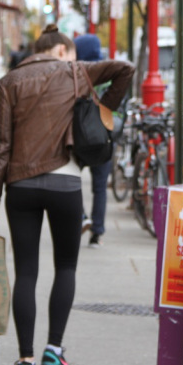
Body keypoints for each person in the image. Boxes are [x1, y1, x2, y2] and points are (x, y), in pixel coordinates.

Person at [0, 24, 134, 365]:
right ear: (63, 51)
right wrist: (99, 110)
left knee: (26, 272)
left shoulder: (7, 83)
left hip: (19, 186)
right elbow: (124, 70)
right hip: (66, 183)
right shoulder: (75, 71)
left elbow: (0, 147)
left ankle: (24, 359)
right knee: (65, 266)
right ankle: (54, 349)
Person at [73, 34, 109, 247]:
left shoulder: (76, 76)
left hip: (79, 137)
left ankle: (81, 217)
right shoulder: (109, 74)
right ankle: (97, 231)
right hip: (103, 138)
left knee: (72, 179)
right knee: (100, 187)